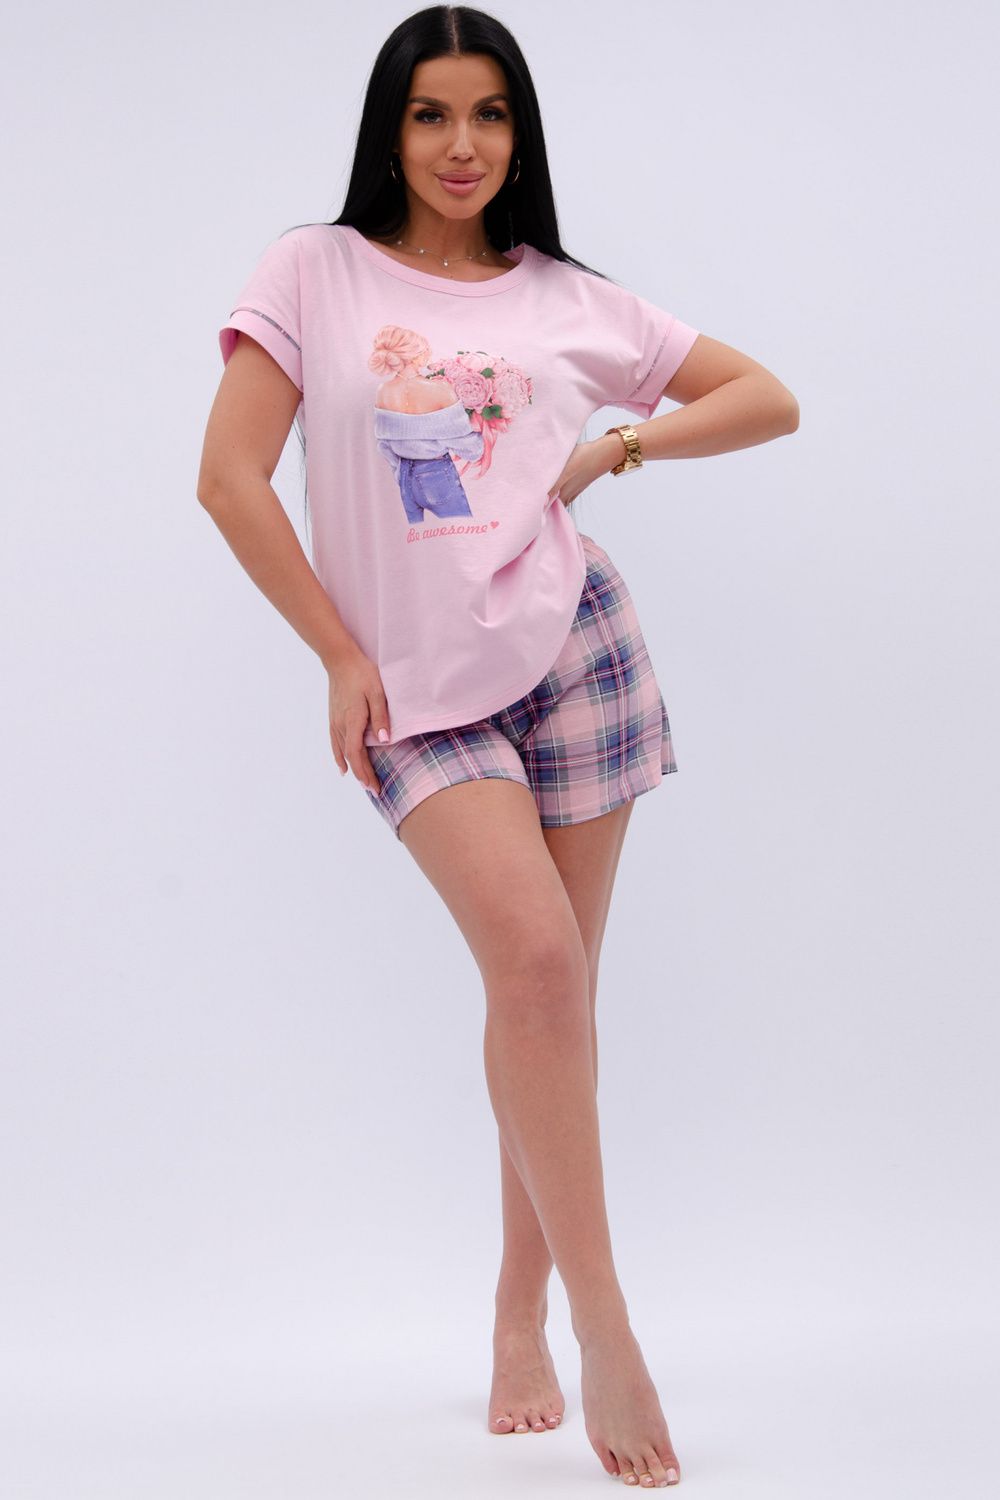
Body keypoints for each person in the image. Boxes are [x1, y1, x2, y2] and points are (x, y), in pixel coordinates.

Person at [197, 5, 799, 1489]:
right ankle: (607, 1324)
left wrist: (615, 447)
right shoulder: (314, 270)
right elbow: (229, 478)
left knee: (553, 997)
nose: (460, 145)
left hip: (575, 647)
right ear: (389, 130)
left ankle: (519, 1311)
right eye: (430, 115)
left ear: (519, 135)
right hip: (416, 689)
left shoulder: (568, 297)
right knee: (534, 965)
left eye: (488, 115)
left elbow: (767, 398)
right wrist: (339, 655)